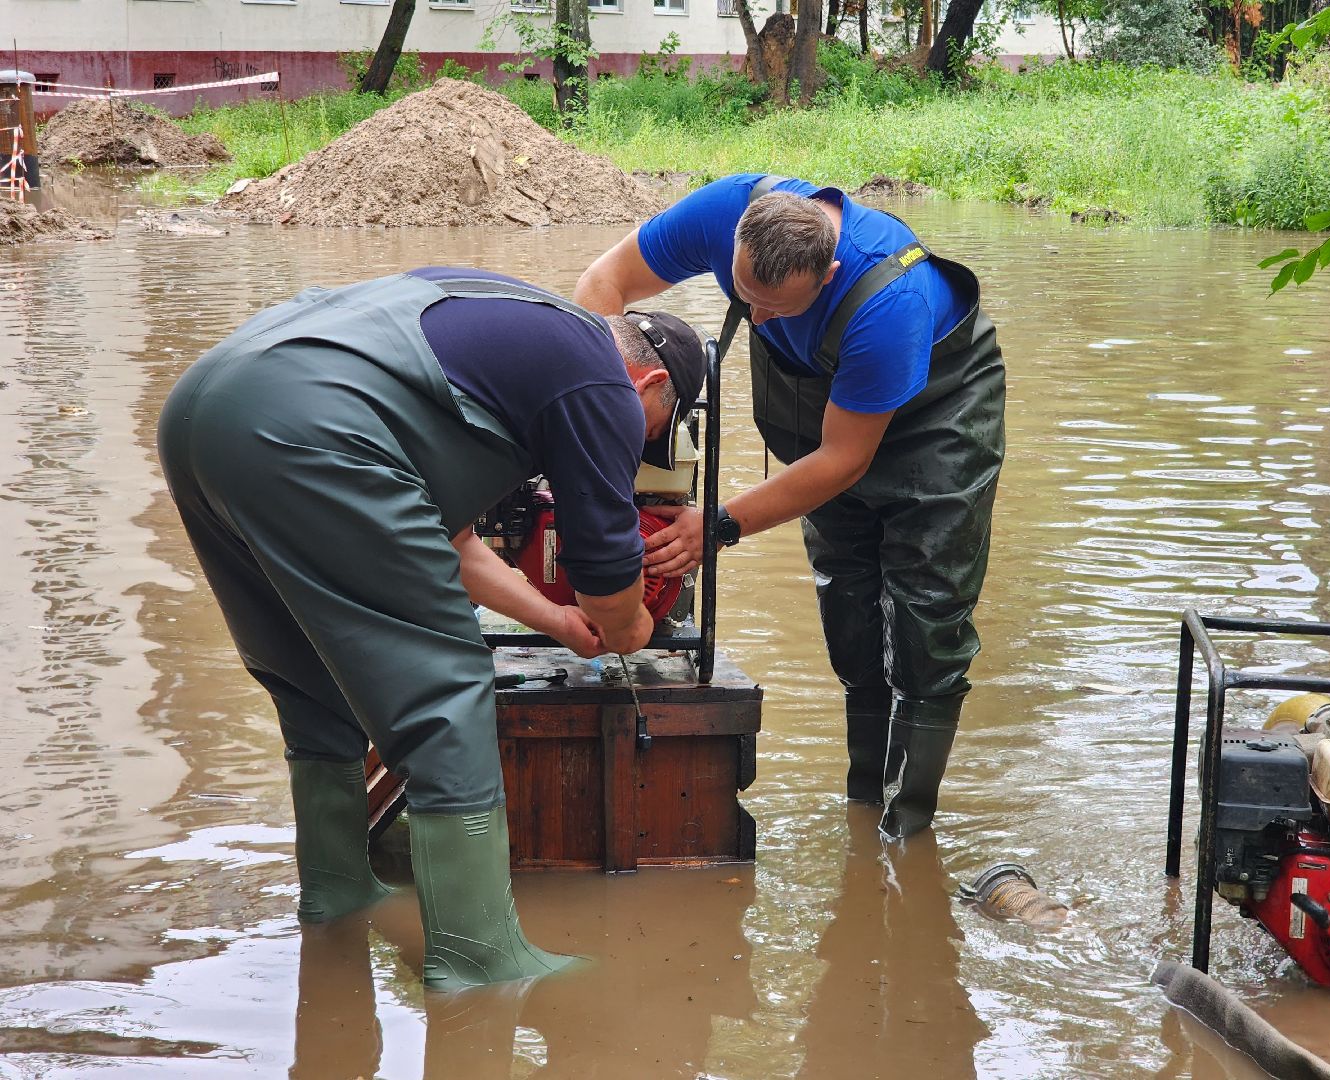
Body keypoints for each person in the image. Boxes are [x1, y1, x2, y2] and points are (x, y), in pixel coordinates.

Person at [157, 267, 705, 989]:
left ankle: (337, 892)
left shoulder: (508, 331)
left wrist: (557, 622)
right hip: (311, 432)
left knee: (311, 682)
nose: (630, 452)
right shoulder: (604, 384)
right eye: (648, 436)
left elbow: (450, 542)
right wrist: (627, 621)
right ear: (645, 385)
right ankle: (479, 961)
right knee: (449, 690)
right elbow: (606, 570)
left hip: (207, 412)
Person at [576, 174, 1005, 840]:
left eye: (776, 309)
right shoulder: (724, 212)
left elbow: (844, 462)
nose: (759, 319)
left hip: (937, 414)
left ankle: (905, 831)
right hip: (833, 409)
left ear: (827, 272)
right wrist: (608, 414)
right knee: (850, 614)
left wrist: (716, 525)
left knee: (928, 621)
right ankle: (865, 806)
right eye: (745, 297)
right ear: (735, 242)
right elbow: (603, 284)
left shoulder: (889, 301)